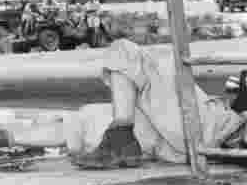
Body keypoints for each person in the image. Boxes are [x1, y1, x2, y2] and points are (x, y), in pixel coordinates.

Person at [67, 38, 247, 169]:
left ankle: (121, 135)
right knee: (85, 119)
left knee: (125, 51)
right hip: (185, 147)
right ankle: (121, 140)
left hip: (214, 128)